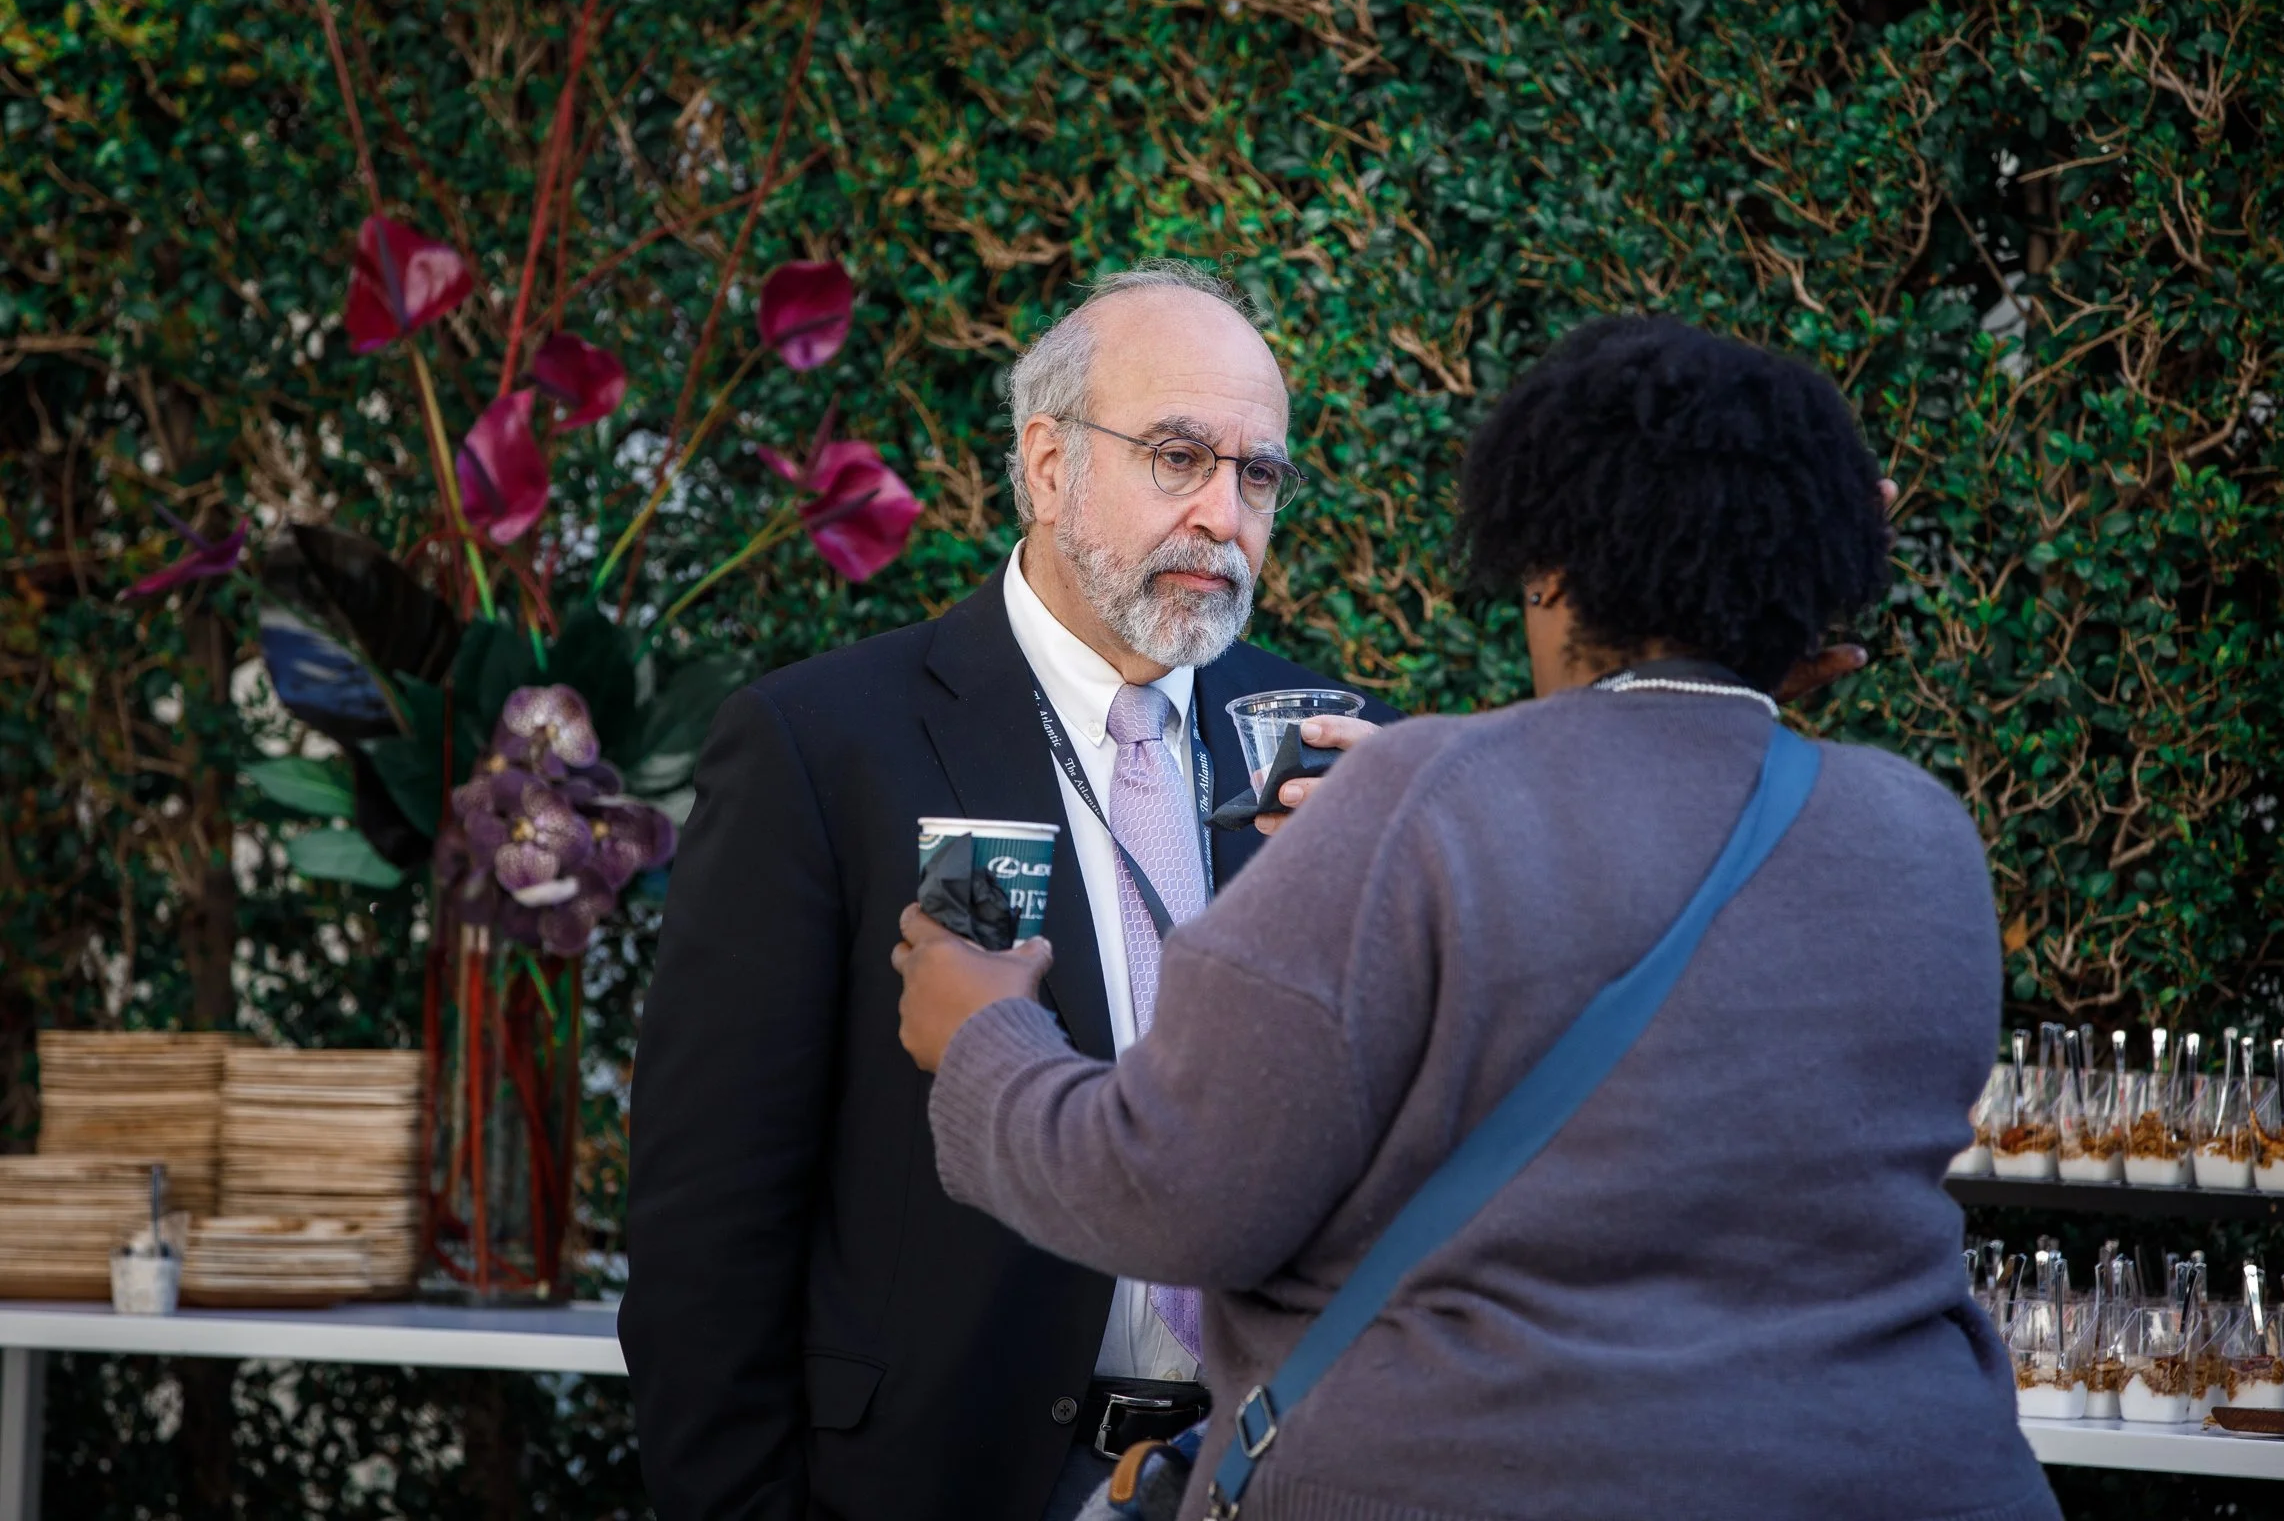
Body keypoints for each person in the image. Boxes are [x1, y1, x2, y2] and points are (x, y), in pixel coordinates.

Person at [893, 316, 2062, 1521]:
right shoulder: (1921, 837)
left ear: (1546, 563)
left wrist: (984, 1038)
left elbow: (1166, 1192)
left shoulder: (1419, 799)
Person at [619, 260, 1399, 1521]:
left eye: (1258, 475)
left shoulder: (1346, 754)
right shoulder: (829, 747)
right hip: (936, 1475)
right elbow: (709, 1216)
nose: (1223, 512)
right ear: (1046, 465)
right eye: (1178, 456)